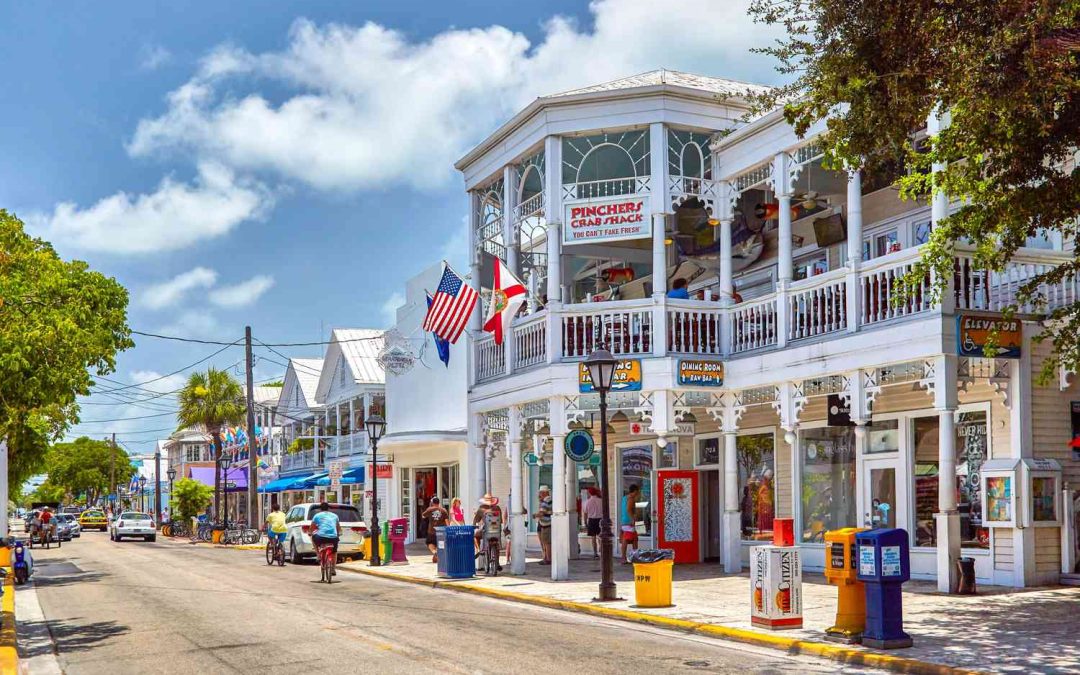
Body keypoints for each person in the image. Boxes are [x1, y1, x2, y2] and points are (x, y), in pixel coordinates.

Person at [472, 494, 504, 571]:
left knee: (475, 535)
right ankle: (497, 562)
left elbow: (476, 520)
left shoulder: (481, 509)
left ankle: (479, 549)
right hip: (497, 530)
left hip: (486, 530)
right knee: (497, 545)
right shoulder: (497, 508)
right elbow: (501, 521)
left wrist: (474, 525)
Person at [310, 502, 341, 575]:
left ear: (320, 509)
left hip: (321, 537)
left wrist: (310, 532)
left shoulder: (317, 516)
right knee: (334, 552)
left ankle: (318, 554)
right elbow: (338, 528)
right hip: (333, 538)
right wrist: (338, 534)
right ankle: (333, 569)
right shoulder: (335, 516)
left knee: (312, 538)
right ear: (328, 508)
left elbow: (312, 528)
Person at [420, 497, 449, 563]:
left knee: (429, 542)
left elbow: (423, 516)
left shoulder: (430, 509)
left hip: (432, 531)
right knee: (440, 544)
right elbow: (447, 521)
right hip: (441, 531)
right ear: (439, 503)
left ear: (432, 502)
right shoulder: (443, 510)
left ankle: (434, 552)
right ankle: (437, 555)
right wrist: (448, 530)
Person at [620, 485, 640, 564]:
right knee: (629, 539)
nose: (638, 493)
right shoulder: (631, 499)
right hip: (629, 522)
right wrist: (633, 519)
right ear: (635, 491)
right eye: (637, 491)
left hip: (624, 521)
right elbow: (628, 509)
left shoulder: (625, 498)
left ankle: (627, 557)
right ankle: (629, 557)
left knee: (632, 538)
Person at [534, 486, 552, 565]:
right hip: (547, 523)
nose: (539, 494)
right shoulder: (549, 500)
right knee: (546, 542)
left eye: (541, 492)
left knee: (546, 543)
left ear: (544, 493)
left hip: (546, 524)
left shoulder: (545, 501)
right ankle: (547, 557)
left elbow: (541, 513)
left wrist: (535, 515)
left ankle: (548, 559)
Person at [583, 487, 603, 559]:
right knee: (600, 536)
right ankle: (602, 550)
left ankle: (595, 553)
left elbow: (585, 513)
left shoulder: (587, 502)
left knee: (593, 537)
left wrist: (585, 522)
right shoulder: (601, 501)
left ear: (589, 493)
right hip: (600, 519)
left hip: (592, 520)